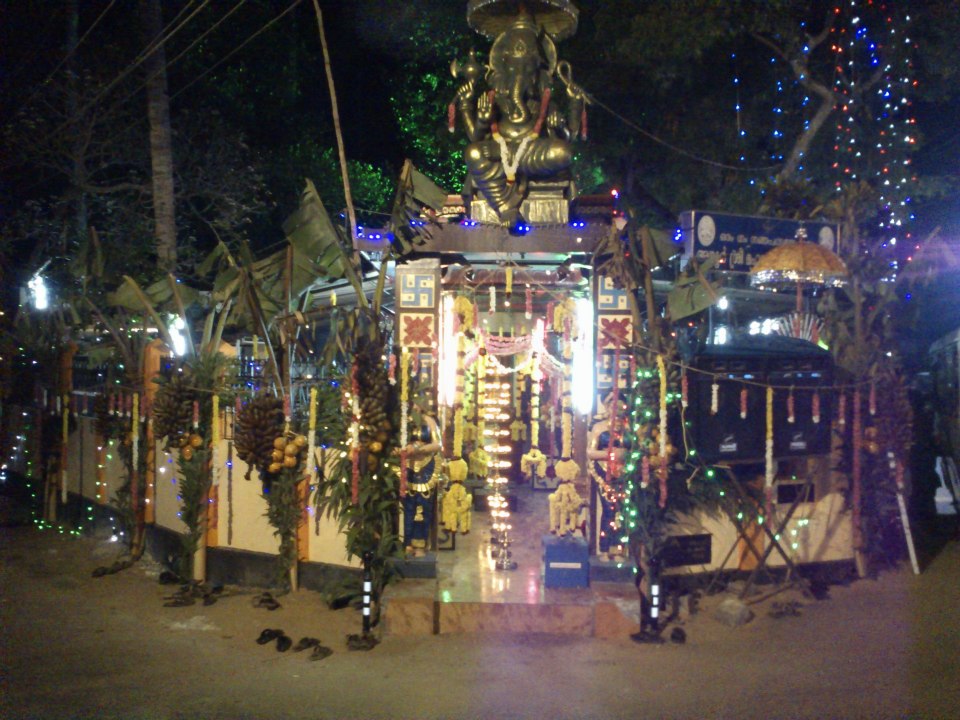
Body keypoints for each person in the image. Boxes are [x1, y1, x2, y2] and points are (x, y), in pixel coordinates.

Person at [453, 11, 585, 227]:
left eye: (527, 67)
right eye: (514, 67)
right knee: (473, 152)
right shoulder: (494, 99)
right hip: (499, 152)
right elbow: (475, 137)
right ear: (503, 67)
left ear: (538, 69)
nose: (520, 73)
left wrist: (568, 113)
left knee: (563, 152)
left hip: (532, 153)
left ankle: (505, 200)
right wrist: (483, 121)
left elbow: (569, 136)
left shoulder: (543, 102)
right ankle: (505, 207)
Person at [587, 392, 630, 561]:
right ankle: (604, 548)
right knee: (608, 510)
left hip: (624, 474)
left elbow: (634, 449)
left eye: (619, 405)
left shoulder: (628, 428)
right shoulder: (599, 427)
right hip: (604, 474)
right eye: (611, 404)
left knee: (621, 511)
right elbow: (590, 452)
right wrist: (611, 454)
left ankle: (619, 549)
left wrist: (624, 455)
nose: (615, 409)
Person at [400, 406, 442, 557]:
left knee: (423, 508)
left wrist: (419, 449)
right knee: (408, 507)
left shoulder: (429, 421)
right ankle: (407, 542)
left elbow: (438, 444)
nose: (416, 407)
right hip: (408, 468)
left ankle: (421, 543)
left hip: (426, 468)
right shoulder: (405, 420)